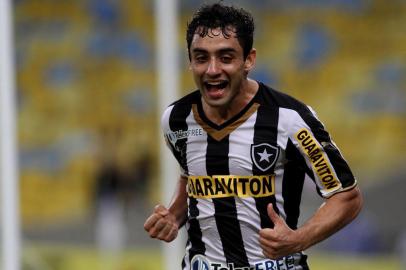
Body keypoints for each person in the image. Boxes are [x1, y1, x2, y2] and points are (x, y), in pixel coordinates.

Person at [144, 3, 363, 270]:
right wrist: (174, 215)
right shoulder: (176, 120)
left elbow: (347, 197)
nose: (212, 70)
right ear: (190, 61)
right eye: (201, 57)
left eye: (225, 57)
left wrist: (298, 239)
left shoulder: (290, 119)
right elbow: (190, 175)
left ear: (249, 60)